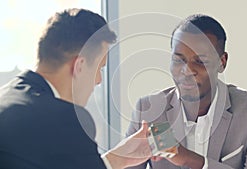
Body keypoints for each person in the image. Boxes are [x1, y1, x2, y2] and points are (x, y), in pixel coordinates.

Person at [0, 8, 151, 169]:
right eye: (99, 68)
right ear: (80, 65)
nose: (99, 80)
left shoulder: (7, 96)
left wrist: (119, 158)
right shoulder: (64, 120)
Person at [126, 14, 247, 169]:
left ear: (222, 63)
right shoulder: (148, 111)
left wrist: (188, 159)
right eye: (178, 60)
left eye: (200, 61)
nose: (187, 71)